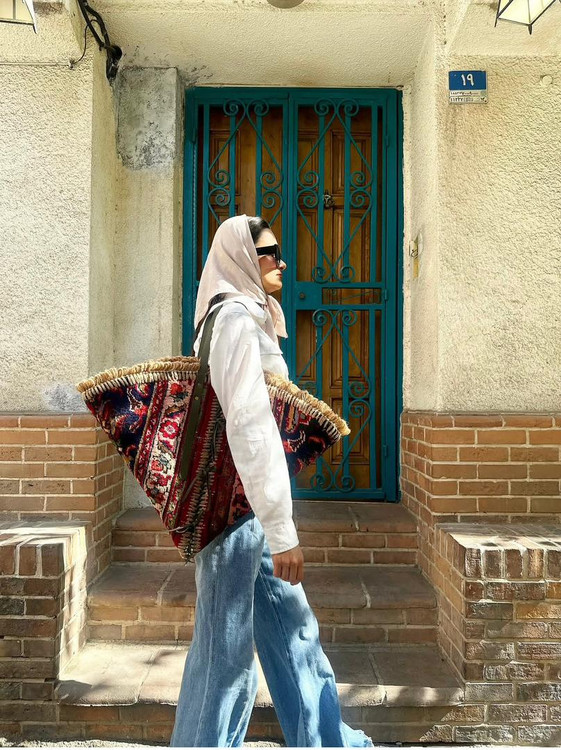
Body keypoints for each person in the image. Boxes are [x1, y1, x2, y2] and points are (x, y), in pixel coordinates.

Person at [169, 214, 374, 748]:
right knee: (225, 652)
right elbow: (249, 425)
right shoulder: (235, 320)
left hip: (247, 506)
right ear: (242, 257)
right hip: (237, 513)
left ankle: (329, 741)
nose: (281, 261)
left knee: (292, 631)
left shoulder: (237, 315)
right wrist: (283, 532)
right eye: (269, 253)